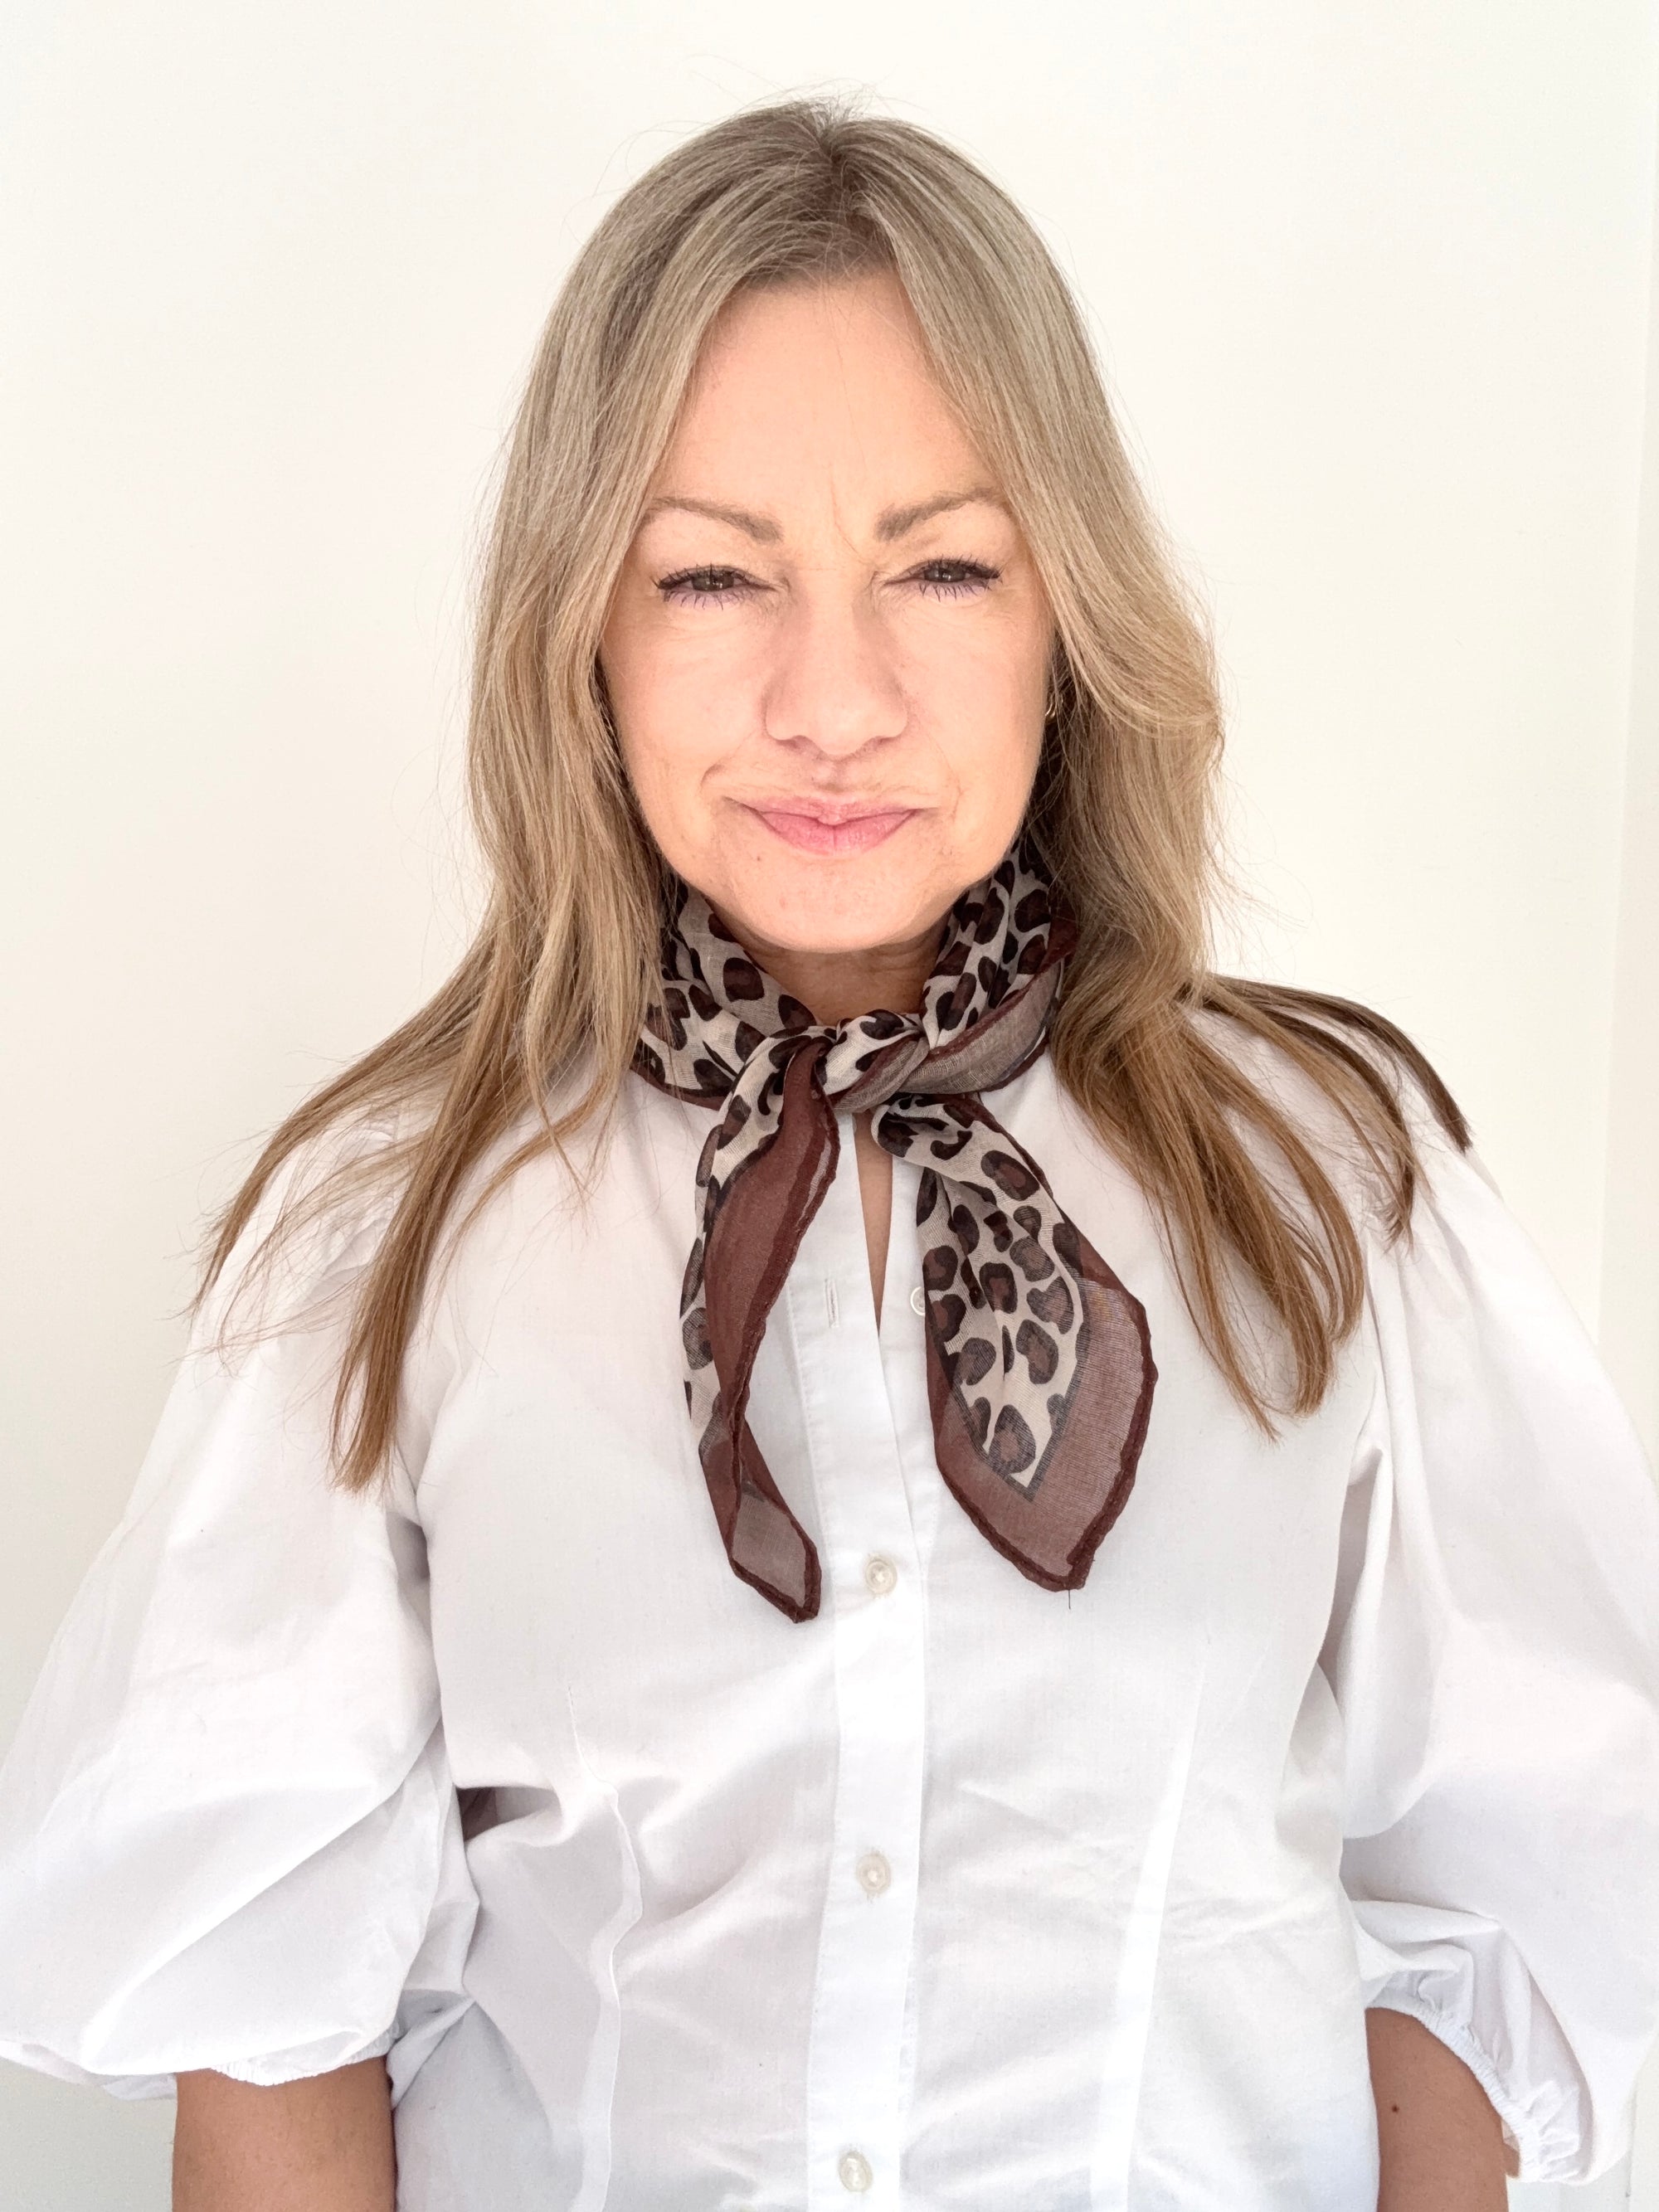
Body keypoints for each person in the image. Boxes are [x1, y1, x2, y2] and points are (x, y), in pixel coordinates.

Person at [1, 95, 1656, 2212]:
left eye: (942, 565)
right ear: (578, 633)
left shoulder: (1336, 1189)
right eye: (714, 573)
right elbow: (268, 2035)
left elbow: (1498, 1919)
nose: (833, 696)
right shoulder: (388, 1238)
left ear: (1071, 621)